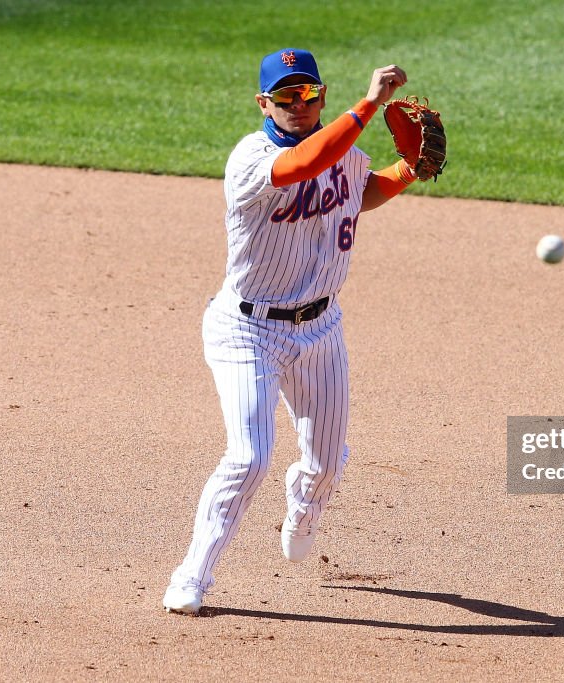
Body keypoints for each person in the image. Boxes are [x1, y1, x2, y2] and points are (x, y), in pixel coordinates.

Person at [162, 48, 417, 615]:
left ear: (321, 95)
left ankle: (304, 505)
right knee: (249, 456)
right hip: (247, 330)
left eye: (307, 94)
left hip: (321, 328)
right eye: (285, 97)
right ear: (264, 104)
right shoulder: (250, 158)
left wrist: (408, 171)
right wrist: (371, 103)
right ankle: (192, 574)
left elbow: (359, 191)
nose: (298, 105)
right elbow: (302, 167)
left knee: (327, 461)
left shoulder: (345, 152)